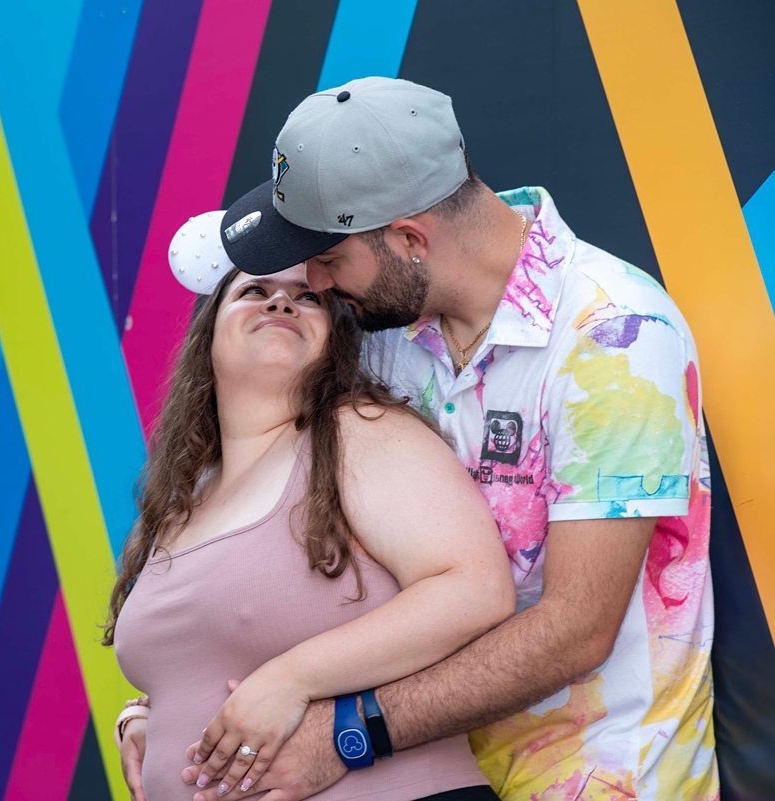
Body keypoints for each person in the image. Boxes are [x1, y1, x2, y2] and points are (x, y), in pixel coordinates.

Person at [128, 76, 716, 801]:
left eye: (327, 257)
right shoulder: (385, 328)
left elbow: (576, 629)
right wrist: (165, 701)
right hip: (428, 767)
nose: (312, 278)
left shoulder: (615, 337)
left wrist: (350, 731)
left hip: (592, 773)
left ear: (410, 239)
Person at [106, 257, 519, 800]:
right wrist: (148, 718)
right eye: (254, 291)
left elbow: (475, 590)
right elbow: (212, 653)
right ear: (207, 336)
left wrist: (290, 679)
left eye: (307, 298)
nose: (280, 302)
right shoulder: (187, 495)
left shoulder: (359, 432)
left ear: (336, 342)